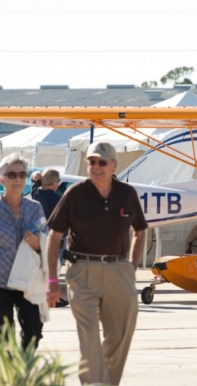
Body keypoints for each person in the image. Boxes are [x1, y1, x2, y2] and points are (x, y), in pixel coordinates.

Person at [45, 142, 147, 386]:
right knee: (89, 337)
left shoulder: (127, 193)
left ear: (114, 165)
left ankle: (105, 383)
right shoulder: (75, 194)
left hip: (119, 270)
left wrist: (131, 266)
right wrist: (51, 280)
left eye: (102, 162)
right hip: (82, 272)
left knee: (120, 335)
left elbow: (141, 231)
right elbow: (54, 236)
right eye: (92, 161)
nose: (96, 167)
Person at [0, 153, 46, 349]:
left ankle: (23, 372)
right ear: (2, 179)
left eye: (22, 174)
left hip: (28, 282)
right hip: (1, 283)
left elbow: (47, 240)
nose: (17, 179)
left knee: (34, 332)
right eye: (12, 175)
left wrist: (37, 244)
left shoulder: (35, 208)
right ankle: (8, 376)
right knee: (4, 336)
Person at [34, 168, 68, 308]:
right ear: (54, 183)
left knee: (42, 267)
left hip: (39, 238)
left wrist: (35, 179)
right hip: (55, 238)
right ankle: (51, 297)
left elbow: (35, 184)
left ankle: (43, 295)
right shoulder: (55, 198)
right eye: (58, 181)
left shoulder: (35, 193)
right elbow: (63, 218)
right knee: (54, 267)